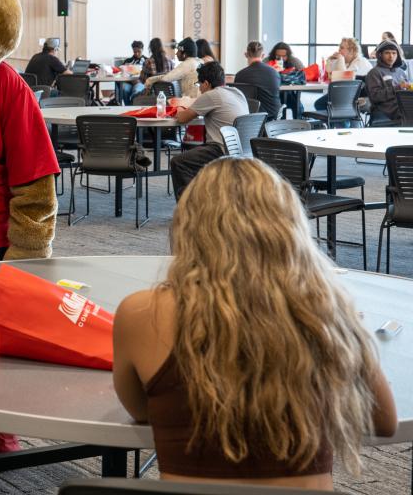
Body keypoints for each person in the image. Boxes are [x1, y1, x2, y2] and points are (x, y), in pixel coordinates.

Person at [113, 157, 397, 489]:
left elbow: (143, 412)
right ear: (289, 227)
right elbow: (383, 422)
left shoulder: (140, 313)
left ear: (187, 226)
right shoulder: (327, 310)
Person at [168, 62, 248, 199]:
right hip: (244, 150)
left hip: (222, 149)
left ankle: (189, 208)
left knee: (178, 162)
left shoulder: (211, 95)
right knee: (197, 154)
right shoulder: (237, 92)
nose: (200, 89)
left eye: (199, 85)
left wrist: (180, 109)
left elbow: (182, 119)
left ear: (206, 83)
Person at [234, 41, 282, 120]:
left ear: (246, 55)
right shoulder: (274, 72)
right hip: (272, 117)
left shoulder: (240, 75)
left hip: (251, 119)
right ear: (263, 55)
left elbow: (240, 100)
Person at [365, 40, 409, 124]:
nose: (391, 56)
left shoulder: (401, 72)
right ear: (380, 55)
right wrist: (397, 88)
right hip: (386, 110)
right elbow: (375, 96)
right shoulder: (374, 73)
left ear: (398, 55)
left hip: (402, 107)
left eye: (394, 53)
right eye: (387, 53)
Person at [268, 42, 306, 118]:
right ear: (274, 54)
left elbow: (303, 74)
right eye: (278, 56)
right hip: (273, 94)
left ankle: (300, 125)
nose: (281, 58)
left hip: (290, 93)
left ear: (288, 55)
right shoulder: (268, 61)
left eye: (284, 56)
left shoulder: (294, 61)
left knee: (297, 105)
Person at [117, 40, 147, 105]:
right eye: (135, 52)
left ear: (142, 50)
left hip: (140, 82)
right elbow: (121, 72)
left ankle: (133, 105)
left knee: (137, 90)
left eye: (139, 51)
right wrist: (123, 69)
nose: (137, 54)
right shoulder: (128, 61)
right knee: (124, 89)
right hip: (128, 82)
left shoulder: (147, 60)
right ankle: (127, 106)